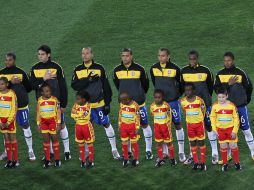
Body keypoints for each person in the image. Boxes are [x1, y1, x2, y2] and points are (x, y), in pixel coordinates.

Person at [71, 47, 120, 159]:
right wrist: (87, 80)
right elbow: (74, 85)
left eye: (87, 53)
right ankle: (87, 152)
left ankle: (114, 150)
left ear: (92, 54)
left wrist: (107, 103)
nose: (85, 55)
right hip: (85, 106)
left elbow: (106, 87)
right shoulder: (77, 69)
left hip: (99, 104)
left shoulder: (99, 68)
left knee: (106, 124)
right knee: (86, 127)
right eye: (83, 53)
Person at [29, 45, 70, 160]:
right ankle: (51, 152)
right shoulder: (34, 68)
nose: (40, 56)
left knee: (61, 125)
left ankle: (67, 151)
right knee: (46, 128)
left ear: (48, 55)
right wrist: (43, 79)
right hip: (42, 105)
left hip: (56, 105)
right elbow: (31, 85)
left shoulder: (56, 67)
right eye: (39, 54)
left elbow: (63, 87)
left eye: (42, 54)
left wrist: (63, 104)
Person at [113, 48, 153, 160]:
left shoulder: (140, 69)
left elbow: (145, 85)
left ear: (131, 56)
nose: (125, 58)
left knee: (144, 124)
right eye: (123, 56)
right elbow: (118, 85)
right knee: (126, 126)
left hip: (139, 104)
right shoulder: (117, 70)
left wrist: (139, 94)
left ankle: (148, 150)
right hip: (124, 106)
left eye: (127, 55)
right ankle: (129, 151)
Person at [214, 51, 254, 160]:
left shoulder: (240, 73)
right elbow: (217, 90)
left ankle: (253, 152)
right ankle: (228, 155)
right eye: (225, 60)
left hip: (240, 107)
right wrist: (228, 84)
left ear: (233, 60)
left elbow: (249, 87)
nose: (227, 63)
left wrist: (245, 101)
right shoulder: (220, 74)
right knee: (227, 131)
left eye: (229, 60)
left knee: (245, 129)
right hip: (226, 109)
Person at [181, 50, 218, 164]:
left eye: (194, 59)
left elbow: (211, 86)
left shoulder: (205, 70)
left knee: (209, 126)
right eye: (190, 59)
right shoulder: (184, 71)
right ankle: (192, 154)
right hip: (191, 106)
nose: (192, 61)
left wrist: (206, 97)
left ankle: (215, 153)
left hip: (205, 104)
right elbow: (183, 86)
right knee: (192, 129)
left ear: (197, 59)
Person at [150, 48, 186, 162]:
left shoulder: (175, 69)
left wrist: (176, 94)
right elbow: (154, 82)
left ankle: (181, 151)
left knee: (177, 124)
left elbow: (181, 84)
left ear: (168, 56)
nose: (161, 58)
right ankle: (165, 153)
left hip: (173, 102)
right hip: (160, 104)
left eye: (163, 56)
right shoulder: (153, 68)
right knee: (162, 126)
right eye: (159, 56)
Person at [0, 53, 35, 161]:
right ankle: (7, 151)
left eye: (10, 60)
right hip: (5, 108)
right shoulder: (1, 73)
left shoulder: (21, 72)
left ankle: (30, 150)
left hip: (21, 106)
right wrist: (11, 83)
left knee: (25, 126)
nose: (7, 62)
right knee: (5, 129)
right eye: (6, 60)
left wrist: (20, 85)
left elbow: (29, 88)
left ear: (14, 60)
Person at [210, 87, 241, 171]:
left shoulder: (231, 106)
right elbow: (212, 117)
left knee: (233, 145)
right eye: (219, 97)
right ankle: (225, 163)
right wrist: (214, 129)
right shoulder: (215, 106)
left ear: (227, 96)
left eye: (223, 97)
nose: (221, 99)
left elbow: (236, 119)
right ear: (217, 97)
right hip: (220, 130)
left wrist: (234, 131)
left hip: (230, 129)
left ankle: (237, 163)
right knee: (223, 146)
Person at [180, 83, 207, 171]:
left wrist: (199, 120)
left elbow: (203, 111)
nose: (187, 92)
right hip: (190, 125)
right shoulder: (182, 101)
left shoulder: (199, 100)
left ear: (194, 91)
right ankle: (196, 162)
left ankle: (202, 163)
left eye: (189, 90)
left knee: (201, 143)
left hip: (199, 125)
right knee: (192, 143)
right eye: (186, 90)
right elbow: (184, 111)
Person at [37, 83, 61, 168]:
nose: (48, 93)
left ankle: (57, 160)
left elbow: (58, 112)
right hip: (43, 123)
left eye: (49, 91)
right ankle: (47, 160)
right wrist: (38, 124)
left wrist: (58, 123)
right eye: (46, 91)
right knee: (46, 141)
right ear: (42, 93)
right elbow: (38, 112)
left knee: (55, 140)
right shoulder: (39, 100)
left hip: (52, 122)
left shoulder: (55, 100)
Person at [150, 89, 177, 167]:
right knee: (159, 143)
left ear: (163, 97)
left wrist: (168, 124)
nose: (157, 99)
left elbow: (169, 116)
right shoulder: (152, 106)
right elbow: (152, 114)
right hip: (157, 127)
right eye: (155, 97)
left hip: (165, 127)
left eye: (159, 97)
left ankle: (172, 159)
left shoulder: (166, 106)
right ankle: (161, 159)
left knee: (169, 143)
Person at [71, 90, 95, 168]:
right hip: (78, 127)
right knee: (80, 144)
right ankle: (83, 160)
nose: (76, 100)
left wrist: (77, 115)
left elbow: (86, 115)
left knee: (89, 143)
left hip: (86, 127)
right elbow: (72, 114)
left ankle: (91, 160)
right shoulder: (75, 105)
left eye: (78, 99)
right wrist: (79, 115)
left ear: (83, 99)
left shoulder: (88, 105)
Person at [0, 77, 18, 168]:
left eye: (2, 84)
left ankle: (16, 160)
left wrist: (8, 122)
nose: (0, 86)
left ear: (7, 84)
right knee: (6, 140)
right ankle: (10, 160)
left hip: (10, 120)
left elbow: (14, 109)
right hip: (1, 121)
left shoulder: (12, 94)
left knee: (12, 140)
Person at [118, 91, 140, 167]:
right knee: (124, 142)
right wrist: (119, 124)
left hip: (132, 127)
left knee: (134, 142)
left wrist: (137, 127)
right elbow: (120, 114)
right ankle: (126, 159)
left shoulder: (135, 105)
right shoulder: (121, 105)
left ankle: (135, 159)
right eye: (121, 100)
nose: (121, 102)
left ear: (128, 99)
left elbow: (137, 117)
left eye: (123, 100)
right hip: (124, 126)